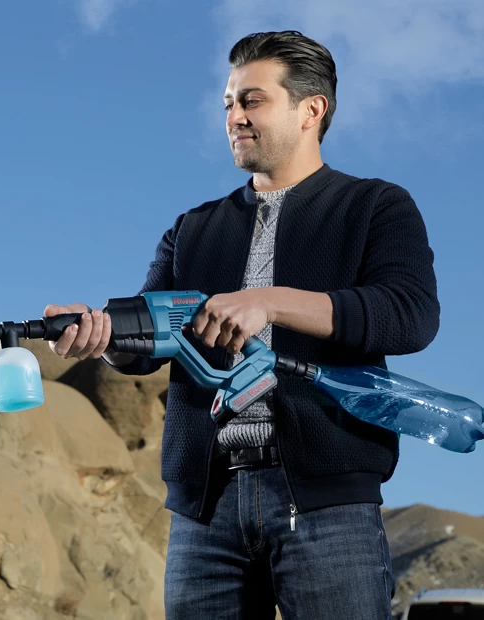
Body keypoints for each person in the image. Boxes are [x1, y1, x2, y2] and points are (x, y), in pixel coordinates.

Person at [44, 30, 440, 619]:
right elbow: (149, 342)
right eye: (228, 103)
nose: (234, 116)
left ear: (312, 109)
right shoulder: (192, 229)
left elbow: (409, 315)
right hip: (206, 510)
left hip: (328, 505)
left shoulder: (376, 206)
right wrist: (102, 336)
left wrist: (272, 301)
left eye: (252, 100)